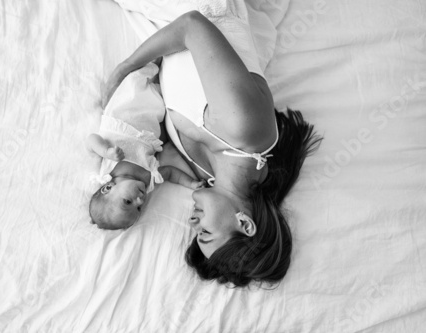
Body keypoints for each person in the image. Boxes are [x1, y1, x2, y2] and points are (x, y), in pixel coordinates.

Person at [102, 11, 321, 286]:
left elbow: (144, 144)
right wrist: (125, 69)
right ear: (245, 224)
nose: (192, 223)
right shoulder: (246, 128)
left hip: (158, 21)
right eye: (204, 233)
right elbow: (191, 25)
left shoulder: (204, 173)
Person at [88, 63, 204, 230]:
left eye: (128, 201)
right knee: (166, 92)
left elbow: (91, 141)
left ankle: (154, 58)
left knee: (136, 81)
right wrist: (191, 184)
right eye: (138, 208)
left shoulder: (107, 171)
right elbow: (170, 173)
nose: (140, 200)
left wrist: (106, 151)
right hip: (151, 120)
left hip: (125, 112)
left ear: (108, 188)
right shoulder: (148, 181)